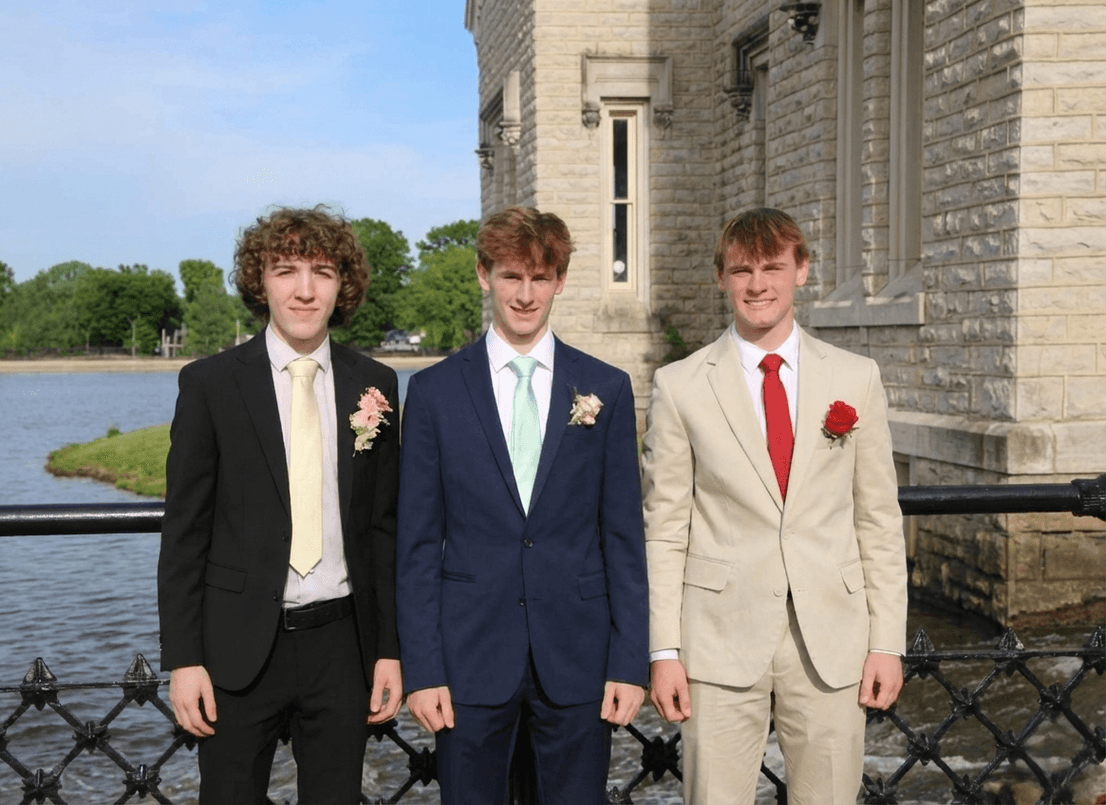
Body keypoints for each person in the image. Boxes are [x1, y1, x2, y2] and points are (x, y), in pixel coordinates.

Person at [643, 208, 907, 803]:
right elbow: (664, 531)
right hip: (717, 642)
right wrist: (664, 651)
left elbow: (878, 522)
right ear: (721, 278)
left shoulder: (857, 378)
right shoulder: (680, 386)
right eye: (742, 270)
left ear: (801, 270)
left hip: (831, 641)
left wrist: (886, 643)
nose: (757, 284)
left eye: (772, 268)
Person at [396, 206, 649, 804]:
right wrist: (423, 670)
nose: (526, 295)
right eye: (512, 276)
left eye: (540, 277)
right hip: (469, 658)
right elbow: (417, 546)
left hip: (579, 657)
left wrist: (629, 661)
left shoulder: (607, 388)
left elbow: (623, 539)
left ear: (560, 280)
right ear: (484, 275)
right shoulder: (433, 392)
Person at [158, 206, 401, 804]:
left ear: (342, 286)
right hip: (237, 651)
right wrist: (184, 661)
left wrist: (390, 650)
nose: (305, 290)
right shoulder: (210, 384)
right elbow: (185, 533)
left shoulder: (375, 384)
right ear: (259, 281)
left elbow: (383, 530)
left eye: (323, 272)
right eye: (286, 270)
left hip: (342, 648)